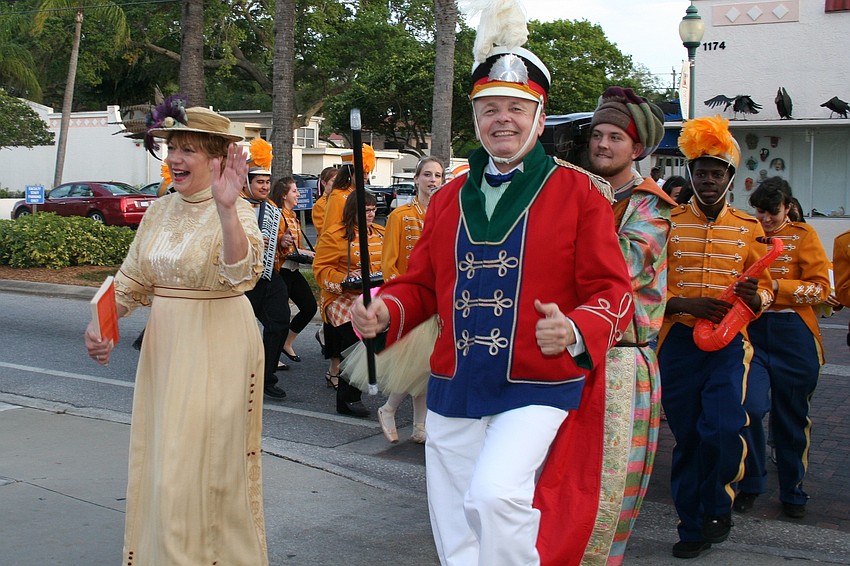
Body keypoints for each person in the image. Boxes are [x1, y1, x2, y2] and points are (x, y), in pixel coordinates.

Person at [350, 27, 634, 565]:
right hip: (456, 377)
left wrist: (574, 328)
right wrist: (386, 308)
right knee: (454, 517)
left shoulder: (580, 193)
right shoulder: (449, 197)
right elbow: (423, 284)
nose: (501, 118)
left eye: (515, 107)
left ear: (539, 118)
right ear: (476, 120)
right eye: (488, 109)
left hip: (539, 379)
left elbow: (613, 291)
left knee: (496, 494)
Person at [84, 104, 268, 564]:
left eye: (188, 149)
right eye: (172, 148)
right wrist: (101, 323)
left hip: (219, 343)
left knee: (196, 470)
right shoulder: (160, 210)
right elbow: (130, 280)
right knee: (162, 460)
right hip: (165, 349)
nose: (176, 158)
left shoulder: (239, 211)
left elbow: (242, 273)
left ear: (217, 159)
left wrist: (227, 210)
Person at [659, 115, 774, 559]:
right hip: (680, 343)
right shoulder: (667, 222)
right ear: (690, 174)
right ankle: (691, 524)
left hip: (729, 343)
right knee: (688, 438)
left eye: (716, 173)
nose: (708, 180)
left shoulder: (748, 227)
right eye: (701, 172)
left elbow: (768, 285)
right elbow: (645, 284)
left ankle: (718, 506)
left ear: (730, 177)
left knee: (725, 430)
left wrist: (757, 295)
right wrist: (685, 305)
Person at [584, 86, 676, 564]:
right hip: (572, 356)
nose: (602, 144)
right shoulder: (580, 191)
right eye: (597, 135)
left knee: (609, 491)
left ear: (636, 148)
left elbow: (618, 267)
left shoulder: (650, 205)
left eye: (614, 137)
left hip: (621, 361)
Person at [736, 178, 829, 518]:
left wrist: (776, 287)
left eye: (772, 212)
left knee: (791, 419)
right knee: (748, 408)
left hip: (793, 333)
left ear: (787, 207)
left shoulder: (805, 236)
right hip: (754, 331)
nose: (765, 218)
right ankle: (750, 483)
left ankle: (792, 489)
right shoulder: (746, 232)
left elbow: (819, 289)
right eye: (759, 211)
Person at [375, 156, 444, 444]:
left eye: (438, 175)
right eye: (427, 174)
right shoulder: (400, 216)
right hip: (409, 303)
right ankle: (389, 408)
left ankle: (418, 426)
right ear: (416, 179)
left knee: (425, 367)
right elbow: (389, 263)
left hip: (438, 301)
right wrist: (399, 302)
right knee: (418, 364)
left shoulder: (445, 214)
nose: (433, 180)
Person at [313, 192, 384, 416]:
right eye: (366, 210)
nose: (371, 214)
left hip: (372, 294)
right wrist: (344, 279)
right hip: (340, 298)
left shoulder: (381, 234)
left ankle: (353, 391)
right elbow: (320, 269)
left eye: (373, 210)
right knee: (357, 344)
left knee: (378, 341)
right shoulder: (334, 235)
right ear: (353, 210)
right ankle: (347, 398)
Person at [242, 165, 292, 397]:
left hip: (268, 274)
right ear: (246, 183)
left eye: (266, 182)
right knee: (237, 330)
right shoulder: (233, 206)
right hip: (241, 279)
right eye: (259, 182)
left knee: (280, 322)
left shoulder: (272, 208)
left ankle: (266, 378)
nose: (264, 186)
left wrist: (282, 242)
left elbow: (278, 243)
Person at [271, 176, 319, 364]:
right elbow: (276, 245)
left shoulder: (293, 216)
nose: (298, 193)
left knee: (309, 308)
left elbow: (296, 248)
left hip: (293, 271)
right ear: (284, 195)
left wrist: (311, 253)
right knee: (279, 317)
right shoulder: (277, 215)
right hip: (280, 272)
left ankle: (286, 343)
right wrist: (282, 242)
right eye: (294, 191)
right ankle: (271, 358)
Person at [311, 166, 339, 236]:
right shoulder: (320, 205)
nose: (337, 184)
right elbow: (323, 230)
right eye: (333, 181)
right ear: (324, 183)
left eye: (338, 181)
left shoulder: (341, 199)